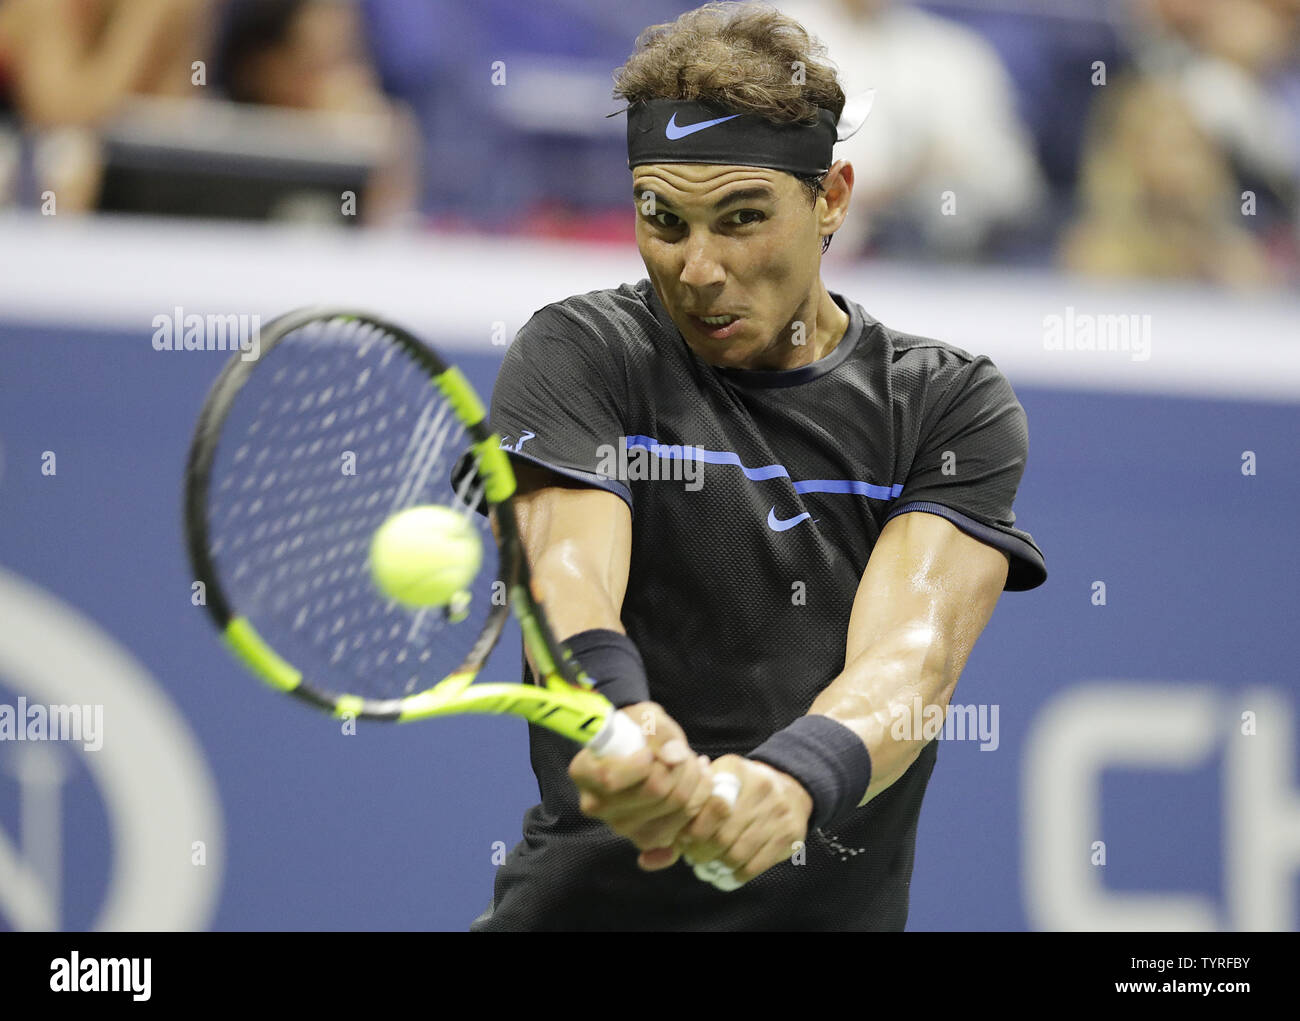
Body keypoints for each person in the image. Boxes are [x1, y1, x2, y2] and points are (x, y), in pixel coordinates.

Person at [472, 1, 1046, 932]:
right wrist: (621, 717)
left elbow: (915, 659)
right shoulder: (581, 353)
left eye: (740, 218)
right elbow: (566, 579)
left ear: (832, 199)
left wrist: (796, 777)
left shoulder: (947, 404)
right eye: (662, 218)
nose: (697, 268)